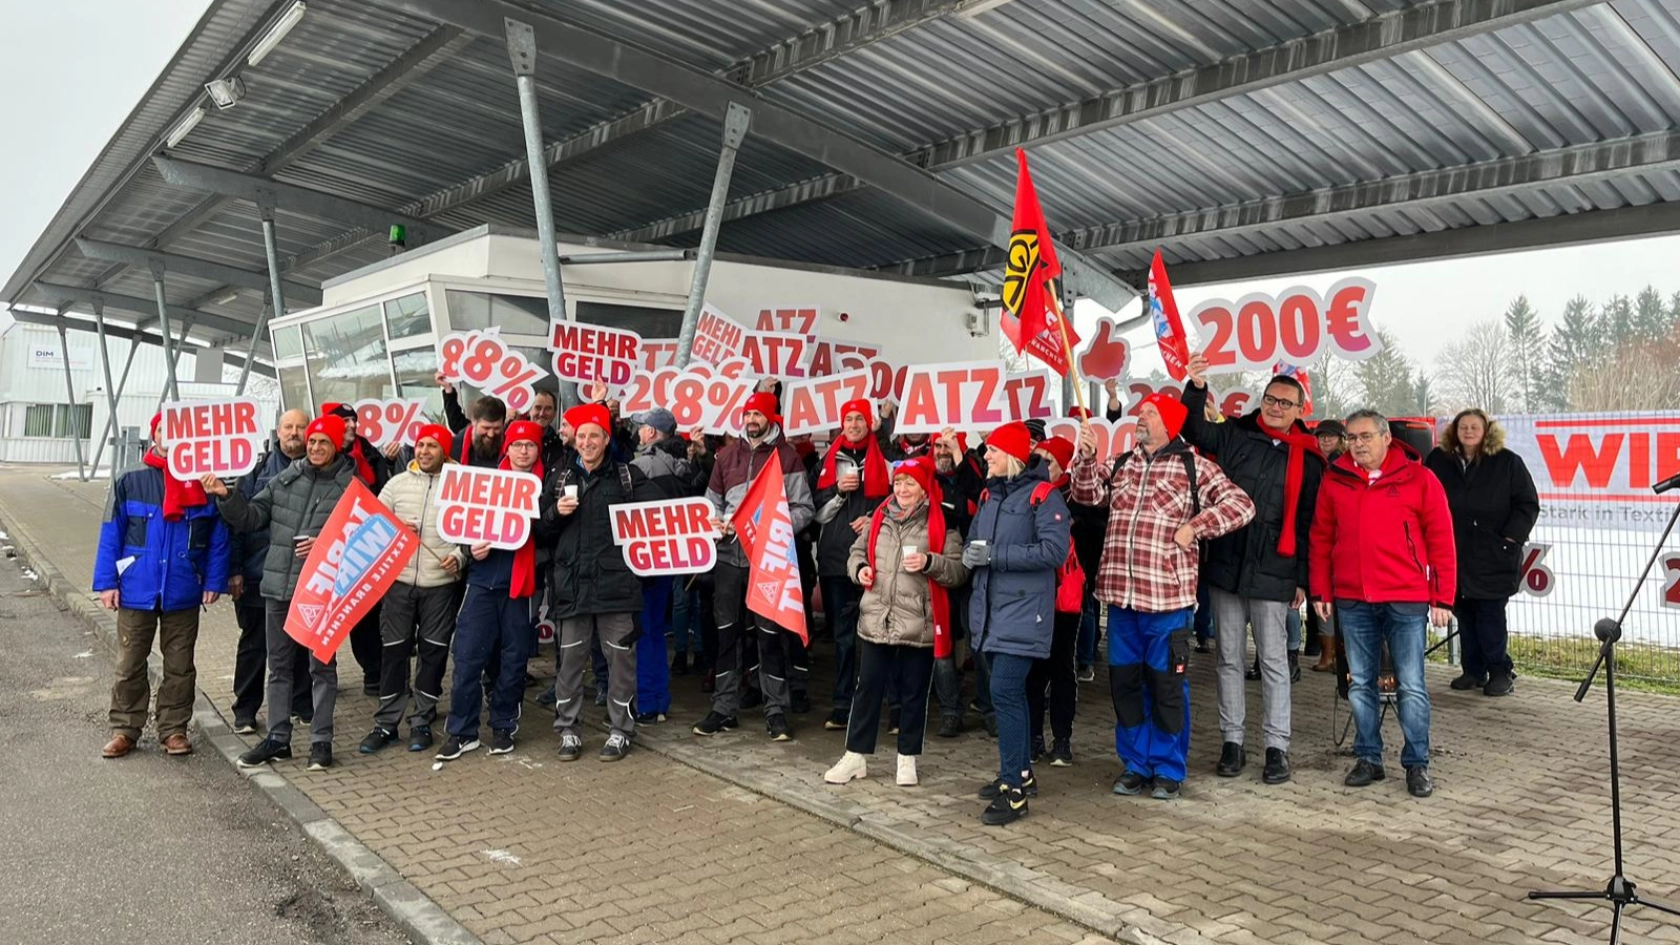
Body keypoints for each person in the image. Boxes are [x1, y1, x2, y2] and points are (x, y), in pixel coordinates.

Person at [1070, 395, 1255, 801]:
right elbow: (1086, 495)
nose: (1140, 417)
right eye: (1141, 412)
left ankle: (1169, 769)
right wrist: (1085, 459)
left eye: (1150, 413)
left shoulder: (1195, 466)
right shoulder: (1121, 463)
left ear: (1169, 424)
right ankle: (1136, 764)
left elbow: (1242, 505)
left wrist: (1196, 526)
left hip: (1167, 602)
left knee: (1167, 689)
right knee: (1126, 686)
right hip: (1120, 600)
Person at [1179, 357, 1326, 786]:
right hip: (1226, 565)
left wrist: (1303, 578)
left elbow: (1310, 524)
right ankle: (1232, 741)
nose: (1275, 407)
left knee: (1274, 662)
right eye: (1270, 399)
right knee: (1227, 659)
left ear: (1300, 409)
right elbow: (1194, 428)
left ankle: (1276, 748)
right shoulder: (1236, 434)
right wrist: (1197, 384)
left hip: (1275, 573)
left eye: (1285, 402)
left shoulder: (1311, 460)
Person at [1310, 410, 1456, 799]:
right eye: (1351, 437)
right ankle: (1369, 758)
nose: (1357, 444)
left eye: (1365, 436)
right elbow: (1321, 537)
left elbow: (1441, 538)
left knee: (1412, 685)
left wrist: (1441, 596)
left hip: (1406, 598)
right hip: (1353, 598)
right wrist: (1322, 591)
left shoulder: (1420, 478)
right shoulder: (1335, 479)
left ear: (1386, 437)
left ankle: (1417, 763)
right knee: (1359, 685)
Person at [205, 415, 356, 771]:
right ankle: (277, 738)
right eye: (313, 441)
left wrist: (326, 545)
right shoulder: (284, 479)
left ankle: (321, 741)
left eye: (324, 442)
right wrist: (227, 496)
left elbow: (363, 541)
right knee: (279, 668)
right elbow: (253, 517)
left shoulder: (352, 489)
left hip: (321, 592)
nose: (316, 447)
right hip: (278, 587)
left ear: (336, 446)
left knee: (322, 669)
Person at [825, 456, 967, 787]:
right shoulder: (879, 516)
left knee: (914, 691)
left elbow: (959, 571)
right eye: (899, 482)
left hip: (918, 621)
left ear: (923, 488)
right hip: (877, 618)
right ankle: (855, 756)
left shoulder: (942, 521)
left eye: (910, 483)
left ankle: (907, 758)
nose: (902, 489)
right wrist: (859, 570)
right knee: (867, 690)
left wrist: (931, 562)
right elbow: (856, 552)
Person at [94, 414, 229, 759]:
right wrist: (107, 582)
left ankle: (173, 729)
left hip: (183, 588)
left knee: (180, 665)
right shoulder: (130, 478)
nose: (170, 436)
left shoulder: (204, 479)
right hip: (137, 588)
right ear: (155, 434)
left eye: (178, 431)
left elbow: (217, 536)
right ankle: (125, 728)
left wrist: (214, 579)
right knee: (129, 663)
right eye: (164, 429)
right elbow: (112, 531)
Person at [692, 392, 815, 741]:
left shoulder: (787, 457)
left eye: (758, 414)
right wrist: (714, 521)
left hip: (769, 561)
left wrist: (771, 525)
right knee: (727, 633)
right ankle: (723, 707)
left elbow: (804, 509)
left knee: (770, 636)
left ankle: (776, 711)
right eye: (747, 414)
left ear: (772, 418)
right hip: (730, 557)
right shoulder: (726, 456)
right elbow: (710, 502)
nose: (751, 420)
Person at [965, 421, 1069, 826]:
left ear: (1010, 455)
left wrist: (994, 556)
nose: (985, 456)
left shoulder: (1045, 498)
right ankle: (1022, 774)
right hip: (992, 612)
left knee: (1005, 692)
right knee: (1010, 695)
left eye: (991, 450)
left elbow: (1052, 551)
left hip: (1025, 613)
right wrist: (974, 556)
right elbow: (979, 541)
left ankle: (1013, 794)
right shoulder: (990, 494)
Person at [546, 405, 662, 760]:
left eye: (594, 435)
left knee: (621, 664)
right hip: (572, 588)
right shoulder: (560, 478)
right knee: (569, 664)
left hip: (617, 589)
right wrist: (554, 514)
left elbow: (660, 516)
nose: (587, 442)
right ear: (574, 440)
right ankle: (568, 731)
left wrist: (704, 526)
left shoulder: (628, 477)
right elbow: (536, 529)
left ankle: (620, 731)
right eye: (581, 436)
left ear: (606, 439)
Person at [436, 420, 552, 761]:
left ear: (537, 449)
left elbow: (551, 536)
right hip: (482, 583)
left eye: (529, 445)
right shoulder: (483, 481)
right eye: (517, 445)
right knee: (468, 658)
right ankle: (462, 731)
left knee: (513, 662)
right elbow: (461, 525)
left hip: (521, 587)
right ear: (507, 448)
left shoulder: (548, 486)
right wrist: (472, 550)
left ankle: (503, 726)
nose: (523, 451)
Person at [359, 424, 467, 755]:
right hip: (399, 583)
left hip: (440, 585)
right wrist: (393, 529)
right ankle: (386, 724)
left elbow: (472, 531)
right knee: (393, 651)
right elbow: (370, 525)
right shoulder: (396, 484)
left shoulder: (463, 486)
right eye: (420, 445)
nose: (423, 451)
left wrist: (459, 557)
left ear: (445, 451)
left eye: (432, 446)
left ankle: (422, 718)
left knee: (433, 652)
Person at [1424, 409, 1538, 698]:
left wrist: (1510, 538)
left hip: (1493, 552)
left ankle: (1500, 671)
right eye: (1464, 426)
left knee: (1490, 615)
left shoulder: (1507, 462)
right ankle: (1473, 670)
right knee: (1464, 613)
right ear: (1455, 431)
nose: (1469, 431)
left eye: (1475, 426)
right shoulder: (1439, 461)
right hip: (1453, 552)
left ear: (1487, 431)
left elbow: (1527, 504)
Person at [227, 409, 313, 734]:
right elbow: (237, 523)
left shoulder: (323, 472)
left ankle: (301, 704)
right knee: (254, 645)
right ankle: (245, 710)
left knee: (302, 642)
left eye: (300, 427)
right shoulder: (254, 472)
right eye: (288, 427)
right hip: (257, 574)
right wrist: (234, 570)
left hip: (303, 577)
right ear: (278, 432)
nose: (294, 433)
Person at [812, 399, 893, 733]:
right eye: (848, 419)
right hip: (835, 560)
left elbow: (899, 500)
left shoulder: (884, 458)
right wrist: (836, 493)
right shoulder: (827, 461)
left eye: (860, 418)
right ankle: (842, 703)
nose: (854, 424)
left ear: (869, 422)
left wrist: (872, 518)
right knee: (843, 639)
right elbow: (816, 512)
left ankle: (886, 704)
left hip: (874, 558)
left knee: (880, 635)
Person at [627, 406, 704, 724]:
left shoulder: (640, 466)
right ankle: (658, 701)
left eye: (643, 427)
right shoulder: (685, 464)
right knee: (656, 629)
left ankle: (646, 702)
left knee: (643, 631)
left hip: (644, 558)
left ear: (653, 433)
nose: (639, 431)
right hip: (672, 558)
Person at [1024, 435, 1084, 768]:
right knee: (1033, 670)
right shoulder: (1026, 493)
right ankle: (1033, 735)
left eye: (1048, 460)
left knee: (1061, 667)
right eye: (1037, 459)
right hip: (1033, 594)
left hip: (1065, 597)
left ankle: (1062, 738)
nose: (1041, 466)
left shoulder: (1075, 496)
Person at [322, 402, 389, 695]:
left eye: (353, 420)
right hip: (333, 548)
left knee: (370, 613)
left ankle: (375, 672)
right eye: (344, 421)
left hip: (369, 545)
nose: (351, 425)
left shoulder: (372, 454)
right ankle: (324, 678)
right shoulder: (324, 458)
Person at [930, 429, 979, 737]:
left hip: (973, 572)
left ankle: (987, 708)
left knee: (978, 641)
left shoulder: (973, 474)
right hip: (939, 569)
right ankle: (950, 711)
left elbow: (979, 494)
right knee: (943, 644)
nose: (942, 451)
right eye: (937, 445)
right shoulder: (924, 476)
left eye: (949, 445)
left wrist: (961, 461)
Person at [1307, 419, 1348, 672]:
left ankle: (1332, 657)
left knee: (1332, 599)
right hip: (1321, 536)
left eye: (1330, 436)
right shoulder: (1317, 462)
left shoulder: (1338, 465)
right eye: (1321, 436)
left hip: (1335, 539)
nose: (1325, 440)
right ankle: (1329, 656)